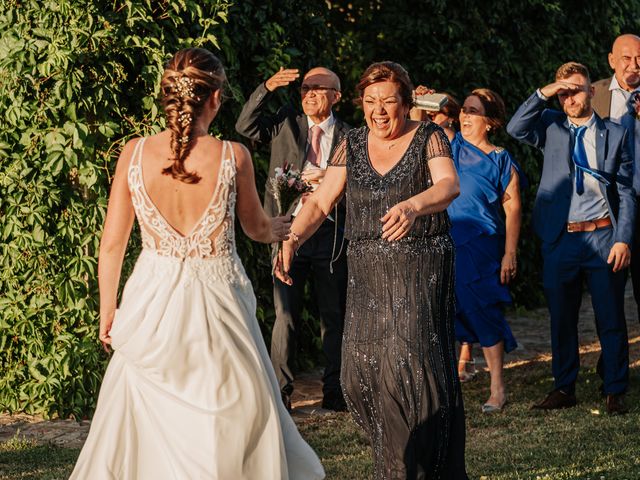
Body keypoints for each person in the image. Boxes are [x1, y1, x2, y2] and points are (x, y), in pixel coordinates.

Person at [70, 48, 325, 479]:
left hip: (151, 297)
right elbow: (254, 228)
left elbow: (112, 244)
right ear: (215, 98)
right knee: (230, 406)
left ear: (167, 95)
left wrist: (108, 309)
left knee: (143, 413)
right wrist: (281, 227)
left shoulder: (132, 154)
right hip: (218, 297)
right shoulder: (232, 156)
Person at [277, 61, 468, 479]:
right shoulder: (352, 142)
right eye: (370, 101)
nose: (379, 110)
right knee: (358, 372)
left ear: (406, 103)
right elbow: (321, 201)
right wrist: (292, 238)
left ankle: (408, 470)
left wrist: (413, 205)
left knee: (409, 369)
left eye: (388, 101)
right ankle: (398, 461)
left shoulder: (428, 137)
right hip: (366, 273)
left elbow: (448, 185)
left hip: (420, 266)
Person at [507, 61, 635, 415]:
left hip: (602, 238)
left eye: (576, 89)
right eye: (563, 92)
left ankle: (615, 389)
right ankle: (564, 387)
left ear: (592, 90)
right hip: (560, 239)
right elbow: (515, 127)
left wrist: (623, 239)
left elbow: (625, 192)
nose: (570, 97)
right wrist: (545, 91)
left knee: (610, 318)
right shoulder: (550, 127)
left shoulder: (615, 133)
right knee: (561, 318)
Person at [236, 66, 350, 411]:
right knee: (285, 315)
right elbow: (244, 127)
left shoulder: (349, 135)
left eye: (318, 88)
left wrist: (331, 185)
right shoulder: (286, 121)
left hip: (330, 234)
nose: (309, 93)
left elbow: (360, 183)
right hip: (285, 230)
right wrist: (267, 86)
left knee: (333, 315)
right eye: (305, 88)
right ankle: (281, 396)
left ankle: (335, 394)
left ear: (336, 96)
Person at [447, 88, 524, 413]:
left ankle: (497, 388)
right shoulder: (450, 145)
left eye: (473, 111)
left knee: (484, 311)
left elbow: (514, 209)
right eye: (464, 109)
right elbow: (420, 117)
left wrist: (510, 252)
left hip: (482, 246)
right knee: (446, 312)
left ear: (490, 122)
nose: (465, 115)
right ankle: (449, 385)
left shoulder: (501, 159)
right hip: (446, 242)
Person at [592, 34, 640, 323]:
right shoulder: (593, 95)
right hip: (607, 207)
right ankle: (610, 359)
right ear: (612, 60)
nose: (634, 65)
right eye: (626, 58)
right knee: (607, 289)